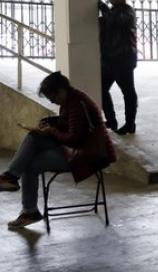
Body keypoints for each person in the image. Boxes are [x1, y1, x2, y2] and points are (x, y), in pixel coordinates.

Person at [0, 72, 116, 229]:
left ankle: (28, 209)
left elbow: (74, 138)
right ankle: (11, 178)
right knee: (33, 137)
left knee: (31, 164)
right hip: (73, 149)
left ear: (61, 90)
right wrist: (50, 124)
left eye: (53, 98)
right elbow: (69, 127)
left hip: (86, 155)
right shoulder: (70, 101)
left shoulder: (77, 104)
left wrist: (51, 131)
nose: (53, 102)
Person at [98, 0, 138, 135]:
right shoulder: (113, 11)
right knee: (101, 89)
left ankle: (130, 124)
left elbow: (114, 21)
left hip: (123, 60)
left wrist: (102, 6)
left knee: (128, 92)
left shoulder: (127, 11)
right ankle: (112, 121)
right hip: (109, 60)